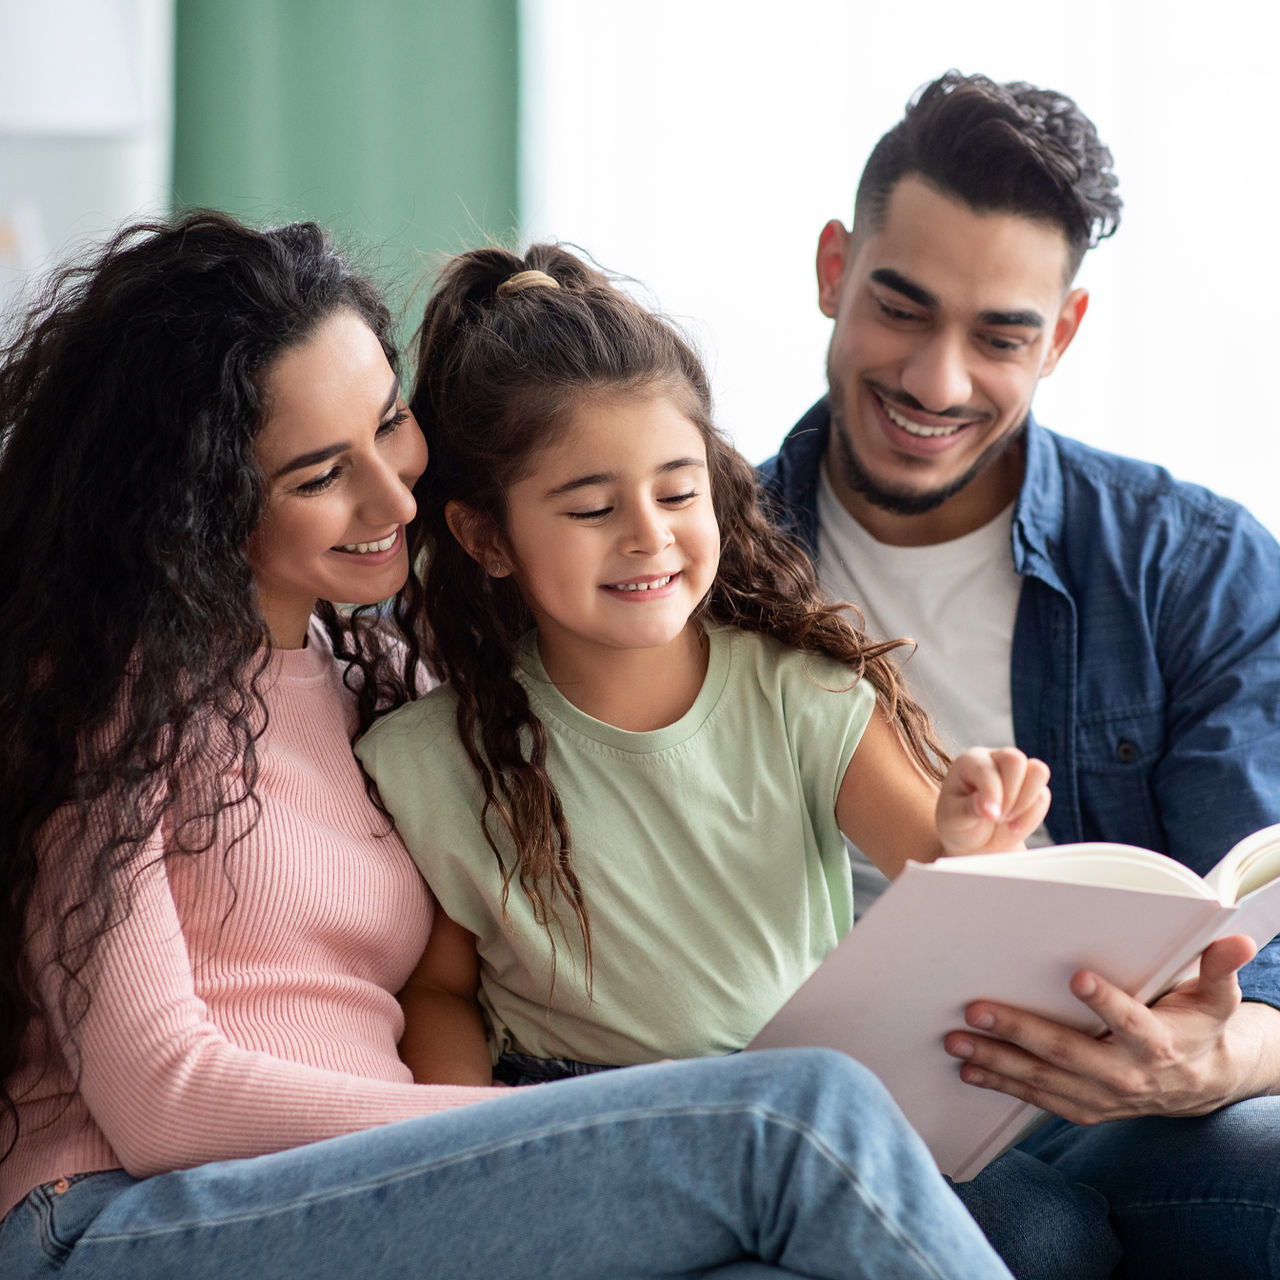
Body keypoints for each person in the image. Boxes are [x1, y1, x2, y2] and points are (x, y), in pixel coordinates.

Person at [0, 210, 1017, 1280]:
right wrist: (500, 1128)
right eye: (316, 475)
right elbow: (165, 1098)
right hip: (118, 1212)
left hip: (377, 1187)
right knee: (798, 1112)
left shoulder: (380, 686)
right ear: (193, 499)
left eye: (389, 424)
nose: (396, 496)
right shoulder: (95, 700)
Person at [760, 69, 1280, 1277]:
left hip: (1107, 1107)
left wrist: (1221, 1059)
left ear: (1063, 332)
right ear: (834, 266)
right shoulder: (700, 554)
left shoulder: (1187, 567)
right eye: (899, 307)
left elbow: (1268, 930)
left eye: (998, 335)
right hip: (807, 1101)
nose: (935, 384)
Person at [358, 240, 1051, 1088]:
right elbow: (439, 990)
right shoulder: (430, 760)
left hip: (798, 1101)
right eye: (592, 507)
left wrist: (973, 842)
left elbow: (947, 888)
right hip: (568, 1110)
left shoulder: (801, 693)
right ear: (486, 537)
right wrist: (473, 1153)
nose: (649, 534)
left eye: (679, 494)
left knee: (1050, 1225)